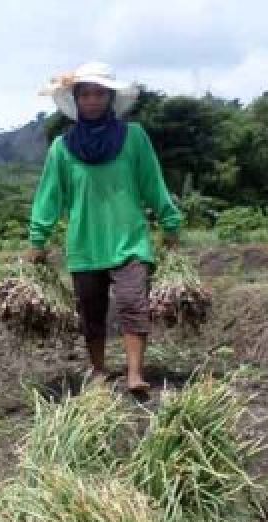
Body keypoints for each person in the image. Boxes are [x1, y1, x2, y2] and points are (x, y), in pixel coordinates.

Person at [28, 62, 183, 397]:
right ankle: (99, 369)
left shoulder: (134, 138)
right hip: (85, 243)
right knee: (91, 310)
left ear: (110, 98)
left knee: (132, 303)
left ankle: (134, 374)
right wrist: (37, 239)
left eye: (100, 93)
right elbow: (48, 198)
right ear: (77, 100)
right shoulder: (62, 149)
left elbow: (152, 183)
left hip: (130, 239)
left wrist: (170, 222)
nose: (93, 100)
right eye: (86, 94)